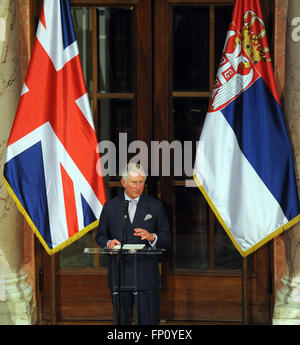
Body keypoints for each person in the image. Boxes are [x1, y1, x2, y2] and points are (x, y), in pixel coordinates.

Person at [95, 163, 171, 325]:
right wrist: (108, 243)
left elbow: (166, 239)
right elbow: (100, 236)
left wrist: (152, 237)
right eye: (134, 182)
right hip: (120, 274)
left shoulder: (155, 206)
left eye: (141, 182)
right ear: (124, 183)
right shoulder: (110, 207)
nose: (138, 186)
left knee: (148, 321)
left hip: (146, 275)